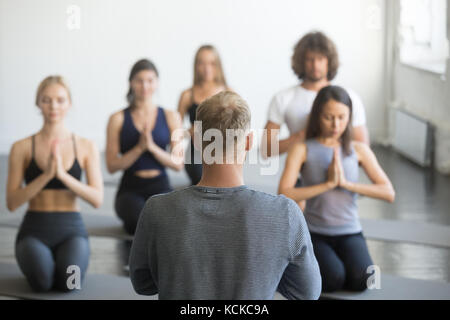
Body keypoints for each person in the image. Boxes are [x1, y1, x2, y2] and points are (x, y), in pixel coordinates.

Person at [130, 91, 322, 300]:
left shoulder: (157, 210)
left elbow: (143, 284)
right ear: (249, 142)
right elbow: (307, 293)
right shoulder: (286, 214)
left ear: (196, 140)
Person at [278, 85, 395, 293]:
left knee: (363, 280)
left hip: (351, 231)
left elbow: (388, 192)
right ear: (317, 116)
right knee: (333, 279)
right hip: (316, 232)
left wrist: (346, 185)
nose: (335, 124)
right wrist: (327, 185)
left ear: (350, 117)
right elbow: (284, 192)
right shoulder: (302, 148)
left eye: (342, 117)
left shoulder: (358, 150)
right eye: (328, 117)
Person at [6, 76, 104, 292]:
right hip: (33, 230)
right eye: (46, 100)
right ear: (37, 103)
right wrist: (46, 175)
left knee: (71, 284)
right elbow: (12, 203)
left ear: (69, 103)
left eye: (60, 100)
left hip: (72, 230)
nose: (53, 106)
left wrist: (62, 175)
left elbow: (97, 199)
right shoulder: (21, 147)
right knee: (42, 283)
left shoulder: (86, 146)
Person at [262, 31, 369, 159]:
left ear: (329, 61)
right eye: (309, 59)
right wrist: (305, 134)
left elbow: (363, 149)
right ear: (301, 61)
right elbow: (266, 149)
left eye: (320, 59)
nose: (315, 65)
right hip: (300, 173)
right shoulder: (282, 98)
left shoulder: (349, 97)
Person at [106, 59, 184, 235]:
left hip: (160, 186)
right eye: (139, 80)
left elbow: (178, 164)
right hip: (130, 187)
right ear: (131, 83)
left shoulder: (171, 116)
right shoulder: (117, 119)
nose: (145, 86)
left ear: (157, 82)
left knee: (165, 222)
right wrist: (139, 149)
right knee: (139, 218)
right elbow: (111, 166)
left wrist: (152, 147)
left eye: (150, 80)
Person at [177, 45, 230, 185]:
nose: (207, 68)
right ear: (196, 66)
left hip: (221, 151)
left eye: (212, 63)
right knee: (201, 179)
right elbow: (175, 133)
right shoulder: (187, 95)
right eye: (202, 63)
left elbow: (239, 128)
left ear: (218, 65)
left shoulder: (229, 93)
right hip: (196, 154)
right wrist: (190, 130)